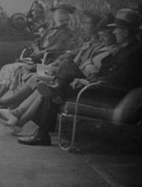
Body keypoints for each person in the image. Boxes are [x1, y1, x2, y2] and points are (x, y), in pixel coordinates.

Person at [18, 8, 142, 146]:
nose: (113, 32)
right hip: (101, 86)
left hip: (109, 93)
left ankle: (41, 132)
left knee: (55, 90)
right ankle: (42, 129)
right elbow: (107, 74)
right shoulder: (123, 49)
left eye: (117, 29)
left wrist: (87, 81)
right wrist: (87, 80)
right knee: (58, 84)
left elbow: (117, 79)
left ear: (125, 31)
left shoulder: (135, 53)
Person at [0, 12, 116, 132]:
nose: (83, 26)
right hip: (69, 76)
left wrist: (80, 65)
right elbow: (75, 58)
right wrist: (60, 63)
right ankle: (14, 114)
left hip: (77, 81)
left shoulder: (104, 48)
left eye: (106, 34)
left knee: (43, 85)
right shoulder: (91, 44)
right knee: (38, 79)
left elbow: (90, 67)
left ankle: (12, 112)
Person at [0, 4, 77, 110]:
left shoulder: (67, 33)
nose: (55, 14)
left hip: (48, 62)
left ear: (66, 16)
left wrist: (42, 52)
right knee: (7, 68)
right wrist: (36, 48)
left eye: (59, 13)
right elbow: (37, 41)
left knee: (15, 68)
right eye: (55, 12)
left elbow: (60, 47)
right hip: (39, 58)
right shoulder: (51, 30)